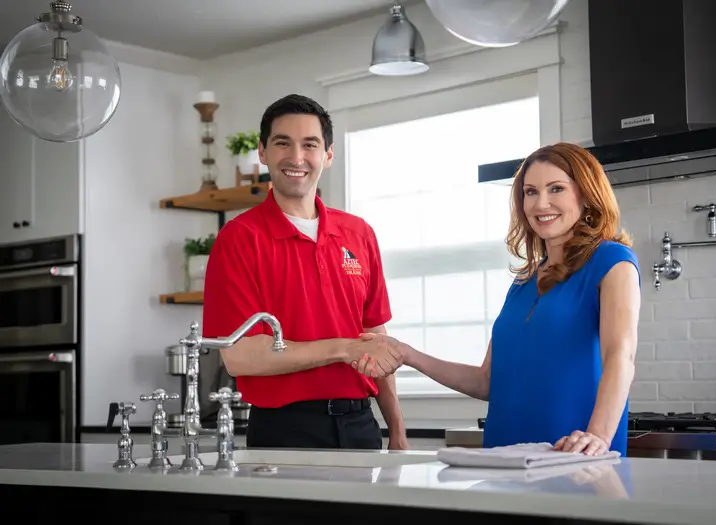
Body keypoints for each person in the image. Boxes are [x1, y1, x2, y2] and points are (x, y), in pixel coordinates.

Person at [354, 142, 641, 457]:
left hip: (574, 457)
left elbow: (620, 355)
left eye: (556, 188)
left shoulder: (613, 261)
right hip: (504, 457)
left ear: (586, 195)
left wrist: (597, 435)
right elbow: (486, 382)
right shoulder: (524, 281)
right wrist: (407, 354)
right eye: (530, 192)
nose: (541, 203)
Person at [202, 94, 409, 451]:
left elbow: (375, 337)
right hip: (283, 430)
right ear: (263, 152)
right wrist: (342, 349)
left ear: (328, 155)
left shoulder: (359, 233)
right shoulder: (238, 239)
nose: (296, 158)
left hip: (361, 426)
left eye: (309, 145)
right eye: (283, 143)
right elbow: (239, 356)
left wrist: (397, 430)